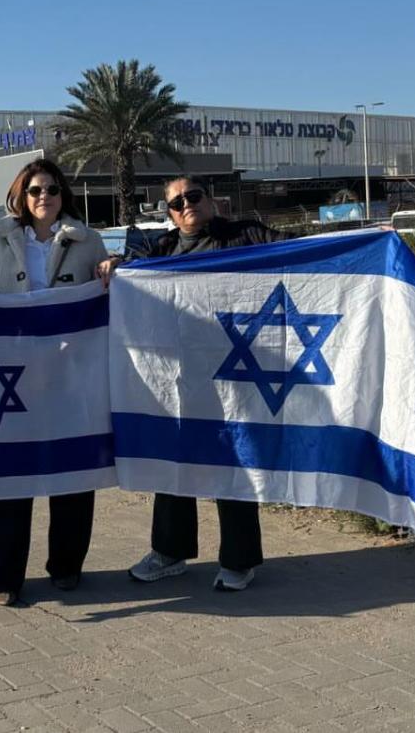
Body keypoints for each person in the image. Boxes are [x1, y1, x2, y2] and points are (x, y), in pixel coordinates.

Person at [106, 175, 285, 592]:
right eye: (176, 202)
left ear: (211, 200)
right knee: (174, 461)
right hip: (181, 377)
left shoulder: (246, 235)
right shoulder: (162, 249)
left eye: (193, 196)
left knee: (234, 463)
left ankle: (239, 560)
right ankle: (169, 552)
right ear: (169, 213)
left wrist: (365, 239)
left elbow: (304, 250)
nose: (186, 205)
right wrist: (115, 266)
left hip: (235, 373)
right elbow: (130, 273)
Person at [0, 159, 109, 606]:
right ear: (21, 196)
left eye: (51, 189)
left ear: (62, 194)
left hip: (70, 373)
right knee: (9, 475)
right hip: (12, 373)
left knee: (72, 471)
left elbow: (105, 291)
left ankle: (66, 565)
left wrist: (112, 271)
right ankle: (2, 577)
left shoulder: (88, 241)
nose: (43, 196)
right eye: (34, 190)